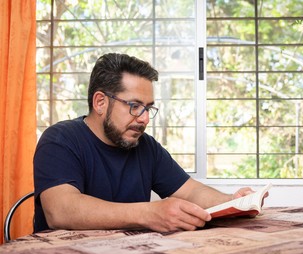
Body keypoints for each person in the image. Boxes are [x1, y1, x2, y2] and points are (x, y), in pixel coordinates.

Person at [33, 53, 265, 233]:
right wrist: (150, 213)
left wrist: (234, 202)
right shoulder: (60, 139)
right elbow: (60, 211)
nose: (144, 118)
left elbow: (191, 191)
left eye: (148, 108)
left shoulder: (146, 146)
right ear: (100, 102)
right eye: (134, 105)